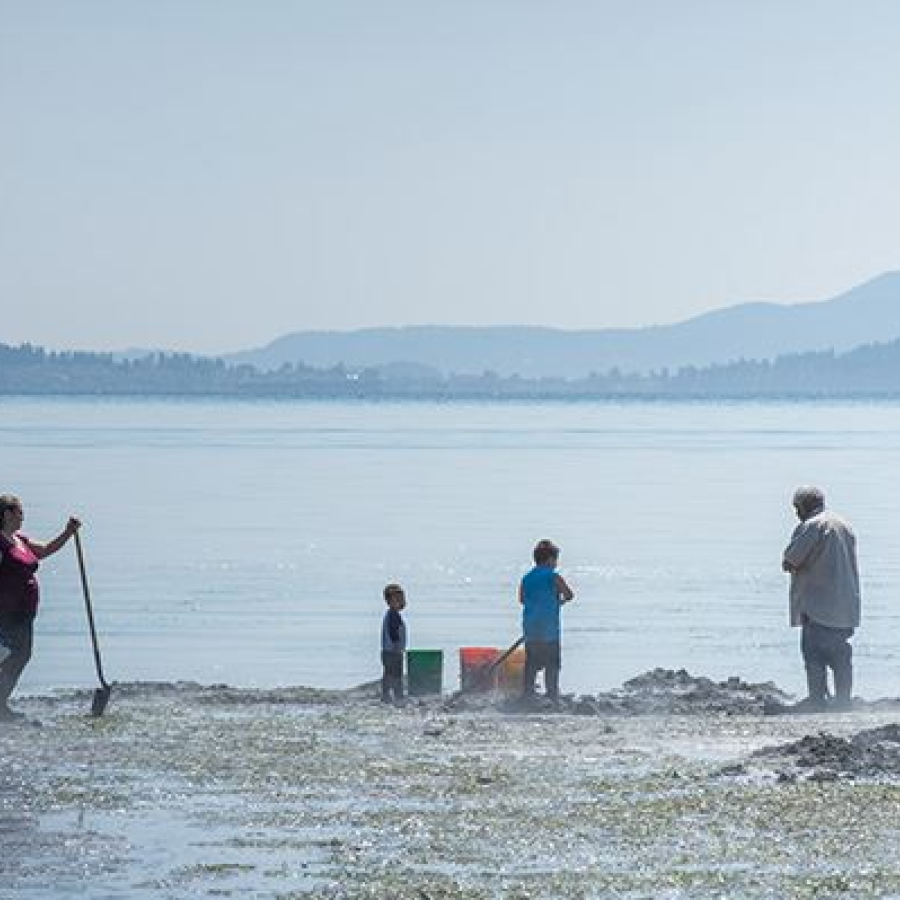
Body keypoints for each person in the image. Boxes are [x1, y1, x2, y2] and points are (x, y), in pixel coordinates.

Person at [0, 494, 81, 723]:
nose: (23, 516)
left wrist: (68, 532)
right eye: (19, 512)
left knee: (22, 655)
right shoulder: (1, 543)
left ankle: (0, 704)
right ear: (7, 514)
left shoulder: (19, 539)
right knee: (10, 654)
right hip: (6, 612)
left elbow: (44, 549)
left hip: (25, 614)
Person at [782, 486, 860, 710]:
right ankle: (843, 700)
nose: (796, 513)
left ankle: (817, 700)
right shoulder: (845, 525)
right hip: (845, 602)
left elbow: (791, 560)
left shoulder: (811, 526)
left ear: (804, 506)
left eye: (797, 508)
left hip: (818, 602)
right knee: (841, 656)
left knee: (814, 654)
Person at [520, 539, 574, 701]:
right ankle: (552, 695)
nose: (556, 563)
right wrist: (559, 601)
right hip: (549, 630)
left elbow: (522, 599)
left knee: (531, 664)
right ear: (550, 559)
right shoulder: (554, 576)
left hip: (530, 628)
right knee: (552, 665)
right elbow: (569, 594)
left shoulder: (527, 578)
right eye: (555, 559)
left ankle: (527, 694)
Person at [380, 583, 407, 704]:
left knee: (390, 674)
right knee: (394, 675)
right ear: (389, 602)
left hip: (390, 651)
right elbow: (393, 633)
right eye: (397, 600)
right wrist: (397, 646)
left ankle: (389, 695)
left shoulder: (394, 614)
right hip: (392, 652)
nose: (401, 602)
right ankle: (395, 695)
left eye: (402, 599)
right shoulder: (393, 615)